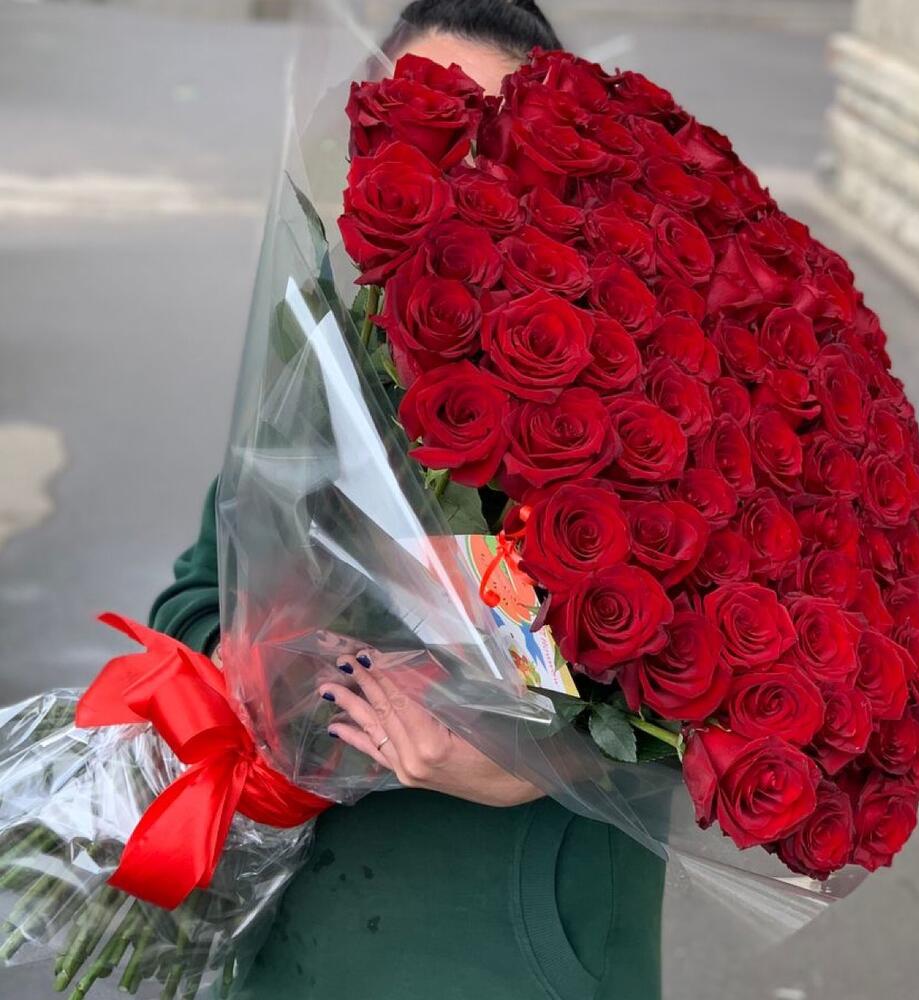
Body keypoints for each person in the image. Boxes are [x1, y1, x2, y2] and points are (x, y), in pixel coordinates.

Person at [150, 3, 665, 997]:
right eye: (410, 125)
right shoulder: (333, 366)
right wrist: (269, 669)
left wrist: (543, 761)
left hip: (532, 961)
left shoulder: (653, 391)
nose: (447, 166)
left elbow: (748, 696)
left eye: (484, 133)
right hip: (310, 941)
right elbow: (194, 597)